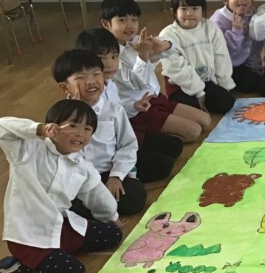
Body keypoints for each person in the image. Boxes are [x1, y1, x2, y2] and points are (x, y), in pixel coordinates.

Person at [0, 100, 123, 273]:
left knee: (114, 234)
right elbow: (0, 126)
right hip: (29, 237)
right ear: (53, 126)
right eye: (73, 126)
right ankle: (18, 267)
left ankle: (57, 254)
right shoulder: (27, 151)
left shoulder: (82, 166)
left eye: (87, 129)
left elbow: (98, 196)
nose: (80, 133)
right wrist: (39, 129)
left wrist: (112, 217)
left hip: (61, 228)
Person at [52, 49, 153, 217]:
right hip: (78, 179)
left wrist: (116, 176)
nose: (91, 82)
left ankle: (103, 205)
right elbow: (58, 157)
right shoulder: (59, 116)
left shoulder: (114, 110)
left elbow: (128, 144)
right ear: (65, 87)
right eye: (81, 78)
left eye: (96, 75)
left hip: (108, 172)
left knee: (134, 198)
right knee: (70, 206)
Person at [101, 0, 210, 144]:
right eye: (122, 20)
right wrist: (143, 55)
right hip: (137, 108)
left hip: (155, 98)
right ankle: (139, 135)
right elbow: (138, 83)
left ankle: (159, 128)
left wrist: (165, 45)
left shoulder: (135, 40)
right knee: (193, 132)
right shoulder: (109, 56)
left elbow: (171, 44)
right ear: (106, 24)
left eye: (134, 20)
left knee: (205, 121)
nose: (130, 25)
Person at [75, 28, 184, 178]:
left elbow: (117, 110)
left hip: (122, 141)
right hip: (108, 156)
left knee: (175, 146)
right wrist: (119, 172)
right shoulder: (87, 97)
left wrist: (134, 106)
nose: (109, 64)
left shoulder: (109, 84)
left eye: (114, 57)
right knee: (164, 166)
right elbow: (100, 146)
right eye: (101, 58)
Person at [158, 0, 236, 114]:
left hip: (206, 80)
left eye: (195, 8)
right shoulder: (167, 35)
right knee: (191, 107)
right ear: (174, 11)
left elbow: (221, 57)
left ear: (202, 10)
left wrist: (224, 86)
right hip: (179, 84)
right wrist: (198, 93)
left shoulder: (210, 27)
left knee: (227, 102)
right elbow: (177, 69)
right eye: (183, 8)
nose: (189, 13)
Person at [210, 0, 264, 93]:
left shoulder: (253, 14)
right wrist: (236, 31)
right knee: (248, 85)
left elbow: (254, 47)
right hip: (225, 64)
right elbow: (222, 53)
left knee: (259, 82)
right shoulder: (218, 20)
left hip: (245, 64)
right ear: (225, 0)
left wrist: (255, 67)